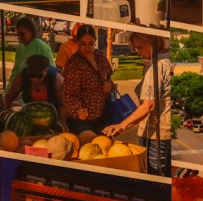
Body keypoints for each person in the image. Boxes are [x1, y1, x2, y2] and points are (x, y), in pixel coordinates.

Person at [102, 33, 172, 176]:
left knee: (155, 175)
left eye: (140, 47)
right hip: (163, 130)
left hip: (155, 132)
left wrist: (121, 126)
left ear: (154, 42)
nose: (138, 51)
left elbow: (148, 105)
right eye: (135, 48)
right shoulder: (164, 59)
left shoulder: (156, 67)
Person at [62, 25, 114, 135]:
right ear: (77, 43)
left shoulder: (100, 55)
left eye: (90, 44)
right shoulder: (74, 63)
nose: (87, 48)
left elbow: (109, 78)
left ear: (95, 41)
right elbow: (67, 94)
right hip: (82, 119)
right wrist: (77, 110)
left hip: (102, 114)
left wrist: (108, 85)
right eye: (83, 44)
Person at [7, 17, 55, 90]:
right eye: (18, 34)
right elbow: (16, 71)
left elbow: (52, 71)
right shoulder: (20, 48)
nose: (19, 38)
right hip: (21, 93)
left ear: (31, 32)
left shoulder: (41, 47)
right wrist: (7, 91)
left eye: (22, 34)